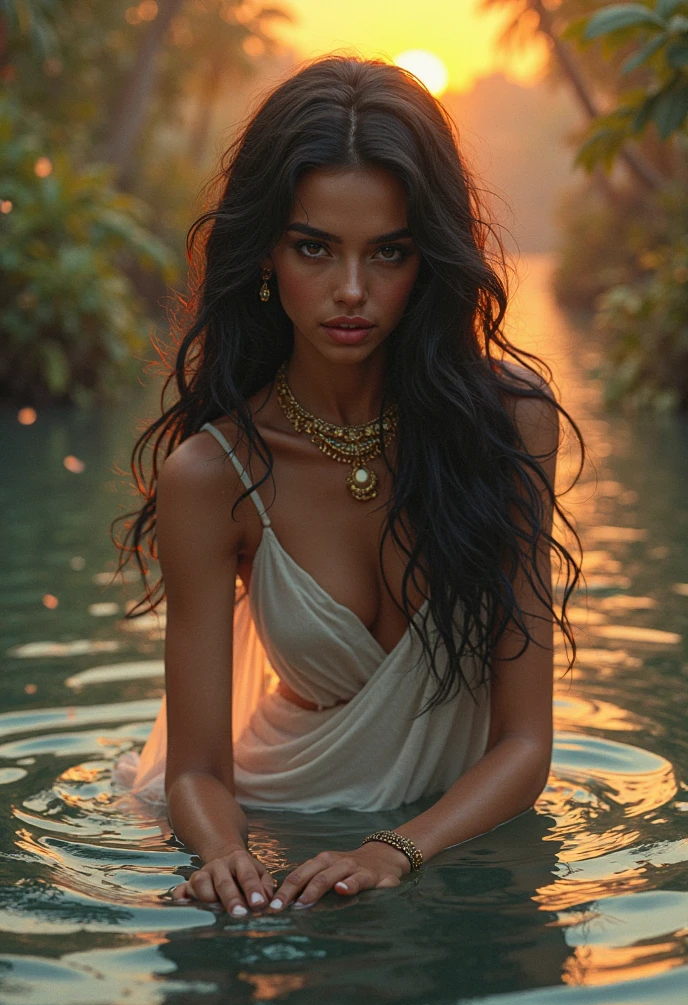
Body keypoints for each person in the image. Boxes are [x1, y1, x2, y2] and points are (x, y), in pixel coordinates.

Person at [112, 56, 584, 919]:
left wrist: (395, 850)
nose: (353, 291)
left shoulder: (509, 428)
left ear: (429, 259)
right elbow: (195, 771)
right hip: (279, 822)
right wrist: (227, 856)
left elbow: (524, 744)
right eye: (315, 248)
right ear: (266, 254)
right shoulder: (215, 476)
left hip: (441, 838)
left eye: (390, 252)